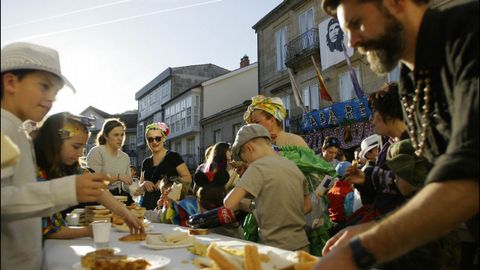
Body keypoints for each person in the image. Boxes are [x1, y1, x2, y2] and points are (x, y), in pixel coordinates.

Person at [314, 0, 478, 269]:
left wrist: (365, 248)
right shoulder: (412, 83)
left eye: (356, 24)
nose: (352, 42)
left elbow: (469, 172)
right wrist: (375, 228)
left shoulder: (468, 33)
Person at [1, 42, 108, 269]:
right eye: (44, 86)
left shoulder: (17, 129)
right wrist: (67, 189)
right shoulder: (4, 128)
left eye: (55, 93)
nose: (50, 98)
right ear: (10, 82)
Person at [34, 112, 144, 239]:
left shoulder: (71, 166)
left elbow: (98, 189)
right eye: (76, 147)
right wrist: (90, 231)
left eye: (83, 147)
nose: (81, 153)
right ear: (55, 142)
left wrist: (126, 214)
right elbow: (50, 231)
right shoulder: (35, 172)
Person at [224, 124, 310, 251]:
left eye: (245, 160)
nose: (247, 163)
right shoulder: (292, 166)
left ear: (249, 148)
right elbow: (308, 205)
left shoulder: (257, 167)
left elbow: (228, 203)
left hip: (275, 248)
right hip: (302, 244)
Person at [139, 122, 192, 210]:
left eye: (158, 138)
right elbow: (139, 187)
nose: (154, 142)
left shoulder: (173, 156)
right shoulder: (146, 162)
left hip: (167, 207)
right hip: (147, 208)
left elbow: (188, 179)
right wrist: (144, 184)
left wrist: (166, 182)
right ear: (147, 142)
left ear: (164, 138)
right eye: (150, 139)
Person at [87, 118, 134, 205]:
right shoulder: (96, 152)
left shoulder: (125, 157)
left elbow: (126, 184)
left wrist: (134, 189)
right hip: (100, 199)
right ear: (105, 136)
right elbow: (94, 182)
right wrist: (118, 177)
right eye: (116, 135)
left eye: (122, 135)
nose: (120, 138)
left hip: (121, 199)